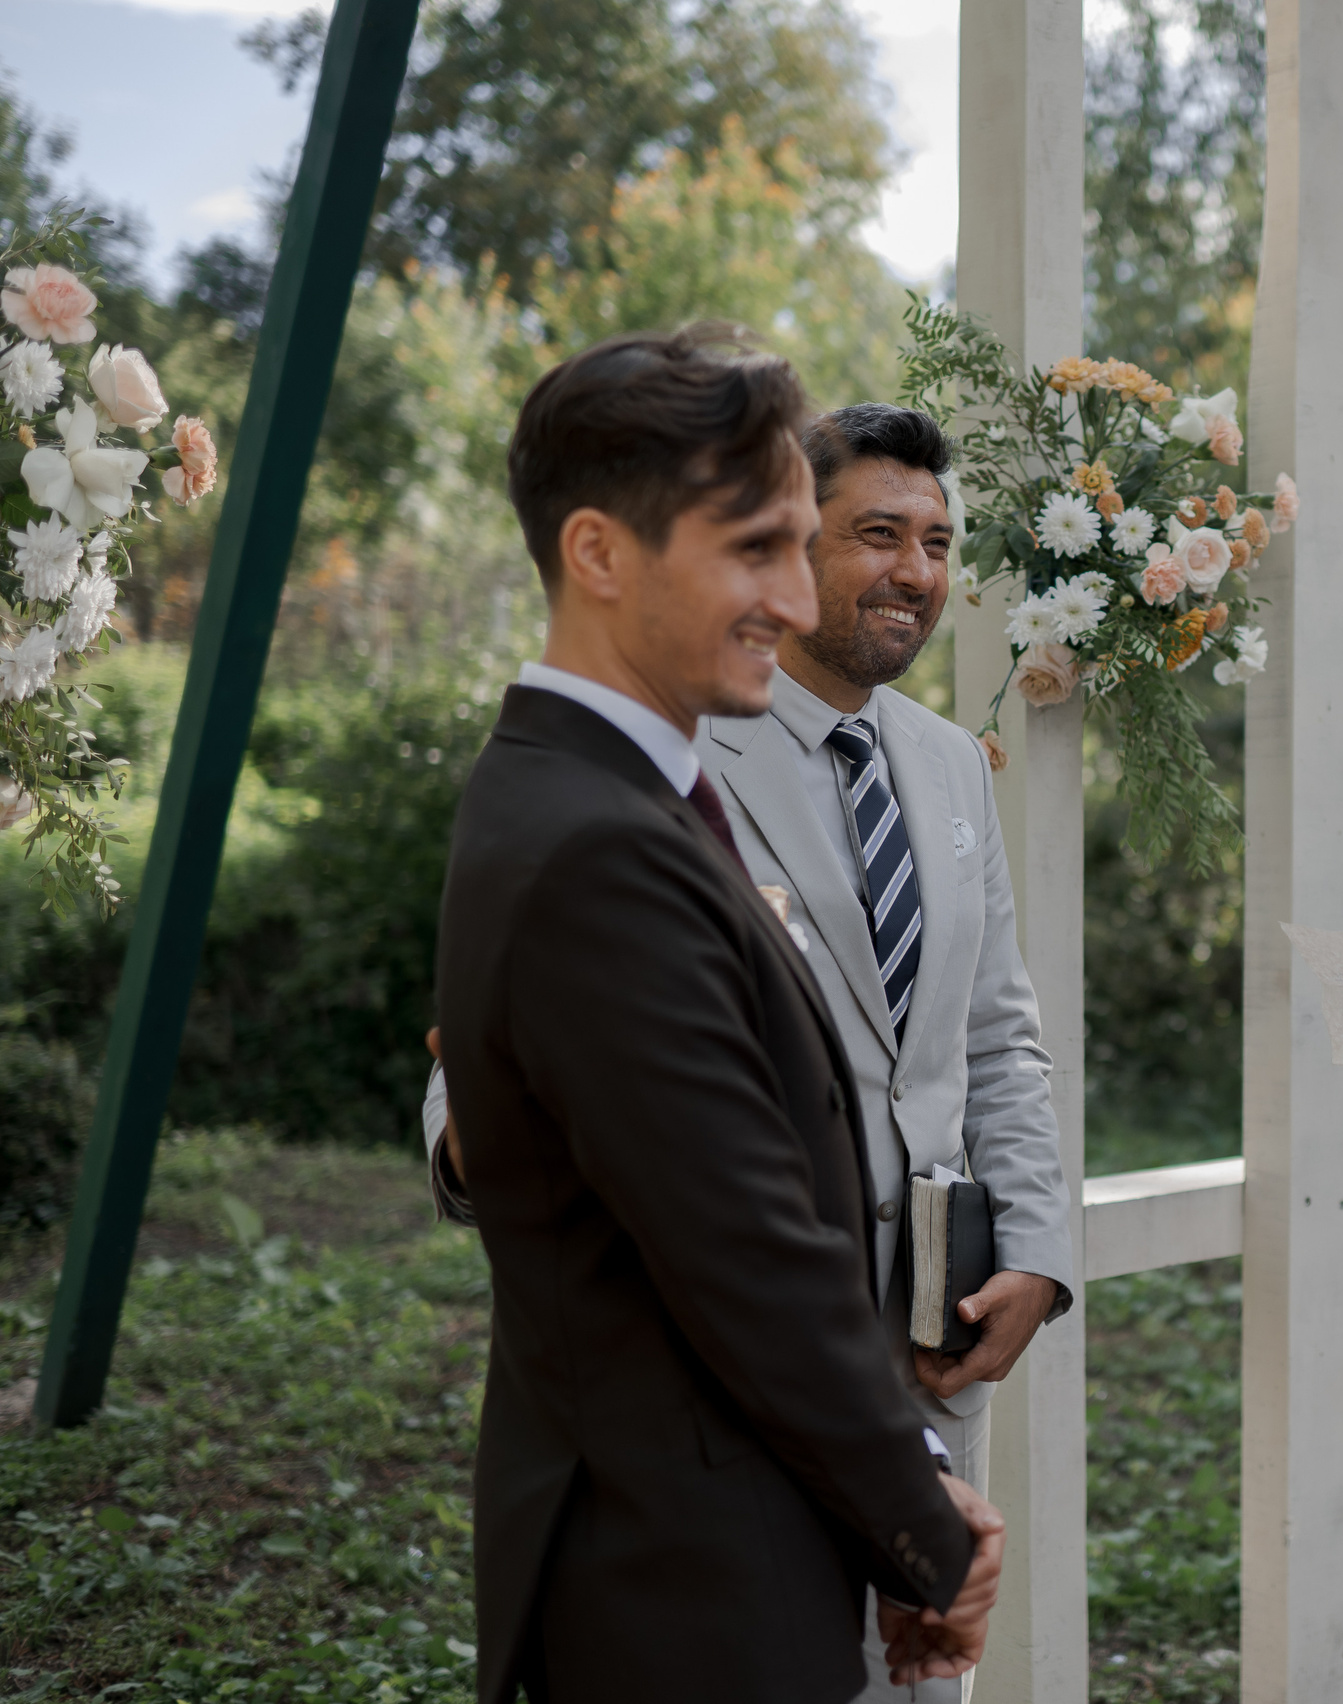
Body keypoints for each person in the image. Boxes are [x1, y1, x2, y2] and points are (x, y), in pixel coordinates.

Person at [434, 325, 1001, 1704]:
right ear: (600, 555)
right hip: (678, 1574)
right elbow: (743, 1251)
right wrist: (924, 1528)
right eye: (755, 550)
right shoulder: (599, 851)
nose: (796, 600)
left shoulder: (600, 791)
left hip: (706, 1523)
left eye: (799, 548)